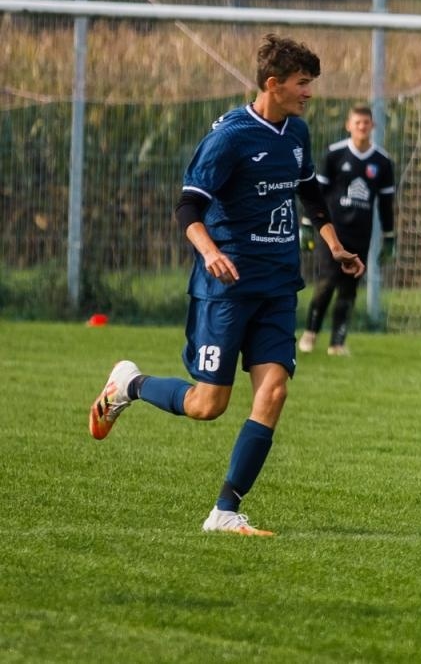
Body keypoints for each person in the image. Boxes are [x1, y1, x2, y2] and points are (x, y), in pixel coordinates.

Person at [88, 34, 364, 536]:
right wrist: (210, 251)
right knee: (207, 405)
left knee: (274, 391)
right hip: (227, 288)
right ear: (273, 84)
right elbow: (188, 206)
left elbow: (309, 192)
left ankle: (224, 510)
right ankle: (129, 383)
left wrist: (334, 243)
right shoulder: (230, 137)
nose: (310, 94)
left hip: (279, 284)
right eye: (303, 85)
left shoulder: (296, 134)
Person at [298, 104, 397, 356]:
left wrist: (388, 237)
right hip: (332, 232)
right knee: (327, 282)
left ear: (373, 126)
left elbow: (386, 203)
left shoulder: (382, 162)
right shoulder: (334, 154)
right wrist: (308, 226)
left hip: (360, 234)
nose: (362, 127)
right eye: (357, 123)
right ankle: (310, 334)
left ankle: (337, 343)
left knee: (349, 288)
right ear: (348, 125)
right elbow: (315, 195)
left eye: (366, 123)